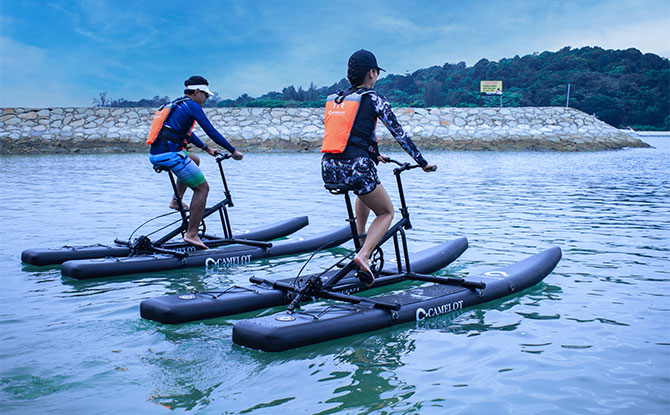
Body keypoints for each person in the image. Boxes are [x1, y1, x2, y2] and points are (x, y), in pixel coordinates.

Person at [321, 49, 437, 284]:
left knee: (362, 188)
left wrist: (374, 154)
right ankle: (364, 255)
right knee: (386, 212)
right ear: (372, 73)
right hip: (357, 166)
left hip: (329, 167)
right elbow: (399, 134)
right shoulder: (374, 98)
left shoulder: (337, 98)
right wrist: (422, 163)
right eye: (376, 73)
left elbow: (349, 134)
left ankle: (361, 240)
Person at [149, 75, 243, 249]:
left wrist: (207, 149)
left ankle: (176, 201)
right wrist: (233, 151)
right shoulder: (192, 105)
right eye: (206, 96)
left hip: (157, 154)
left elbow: (186, 133)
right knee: (203, 189)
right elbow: (211, 131)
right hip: (170, 154)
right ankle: (192, 234)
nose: (207, 99)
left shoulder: (178, 104)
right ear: (197, 92)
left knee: (194, 159)